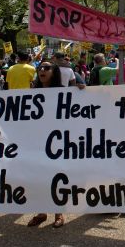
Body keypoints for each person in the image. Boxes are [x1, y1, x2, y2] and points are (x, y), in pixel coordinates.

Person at [26, 60, 84, 228]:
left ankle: (59, 214)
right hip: (37, 141)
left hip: (57, 142)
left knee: (57, 177)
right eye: (40, 68)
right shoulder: (32, 92)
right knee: (38, 177)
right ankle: (41, 213)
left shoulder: (63, 92)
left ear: (54, 72)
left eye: (47, 68)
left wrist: (81, 93)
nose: (42, 70)